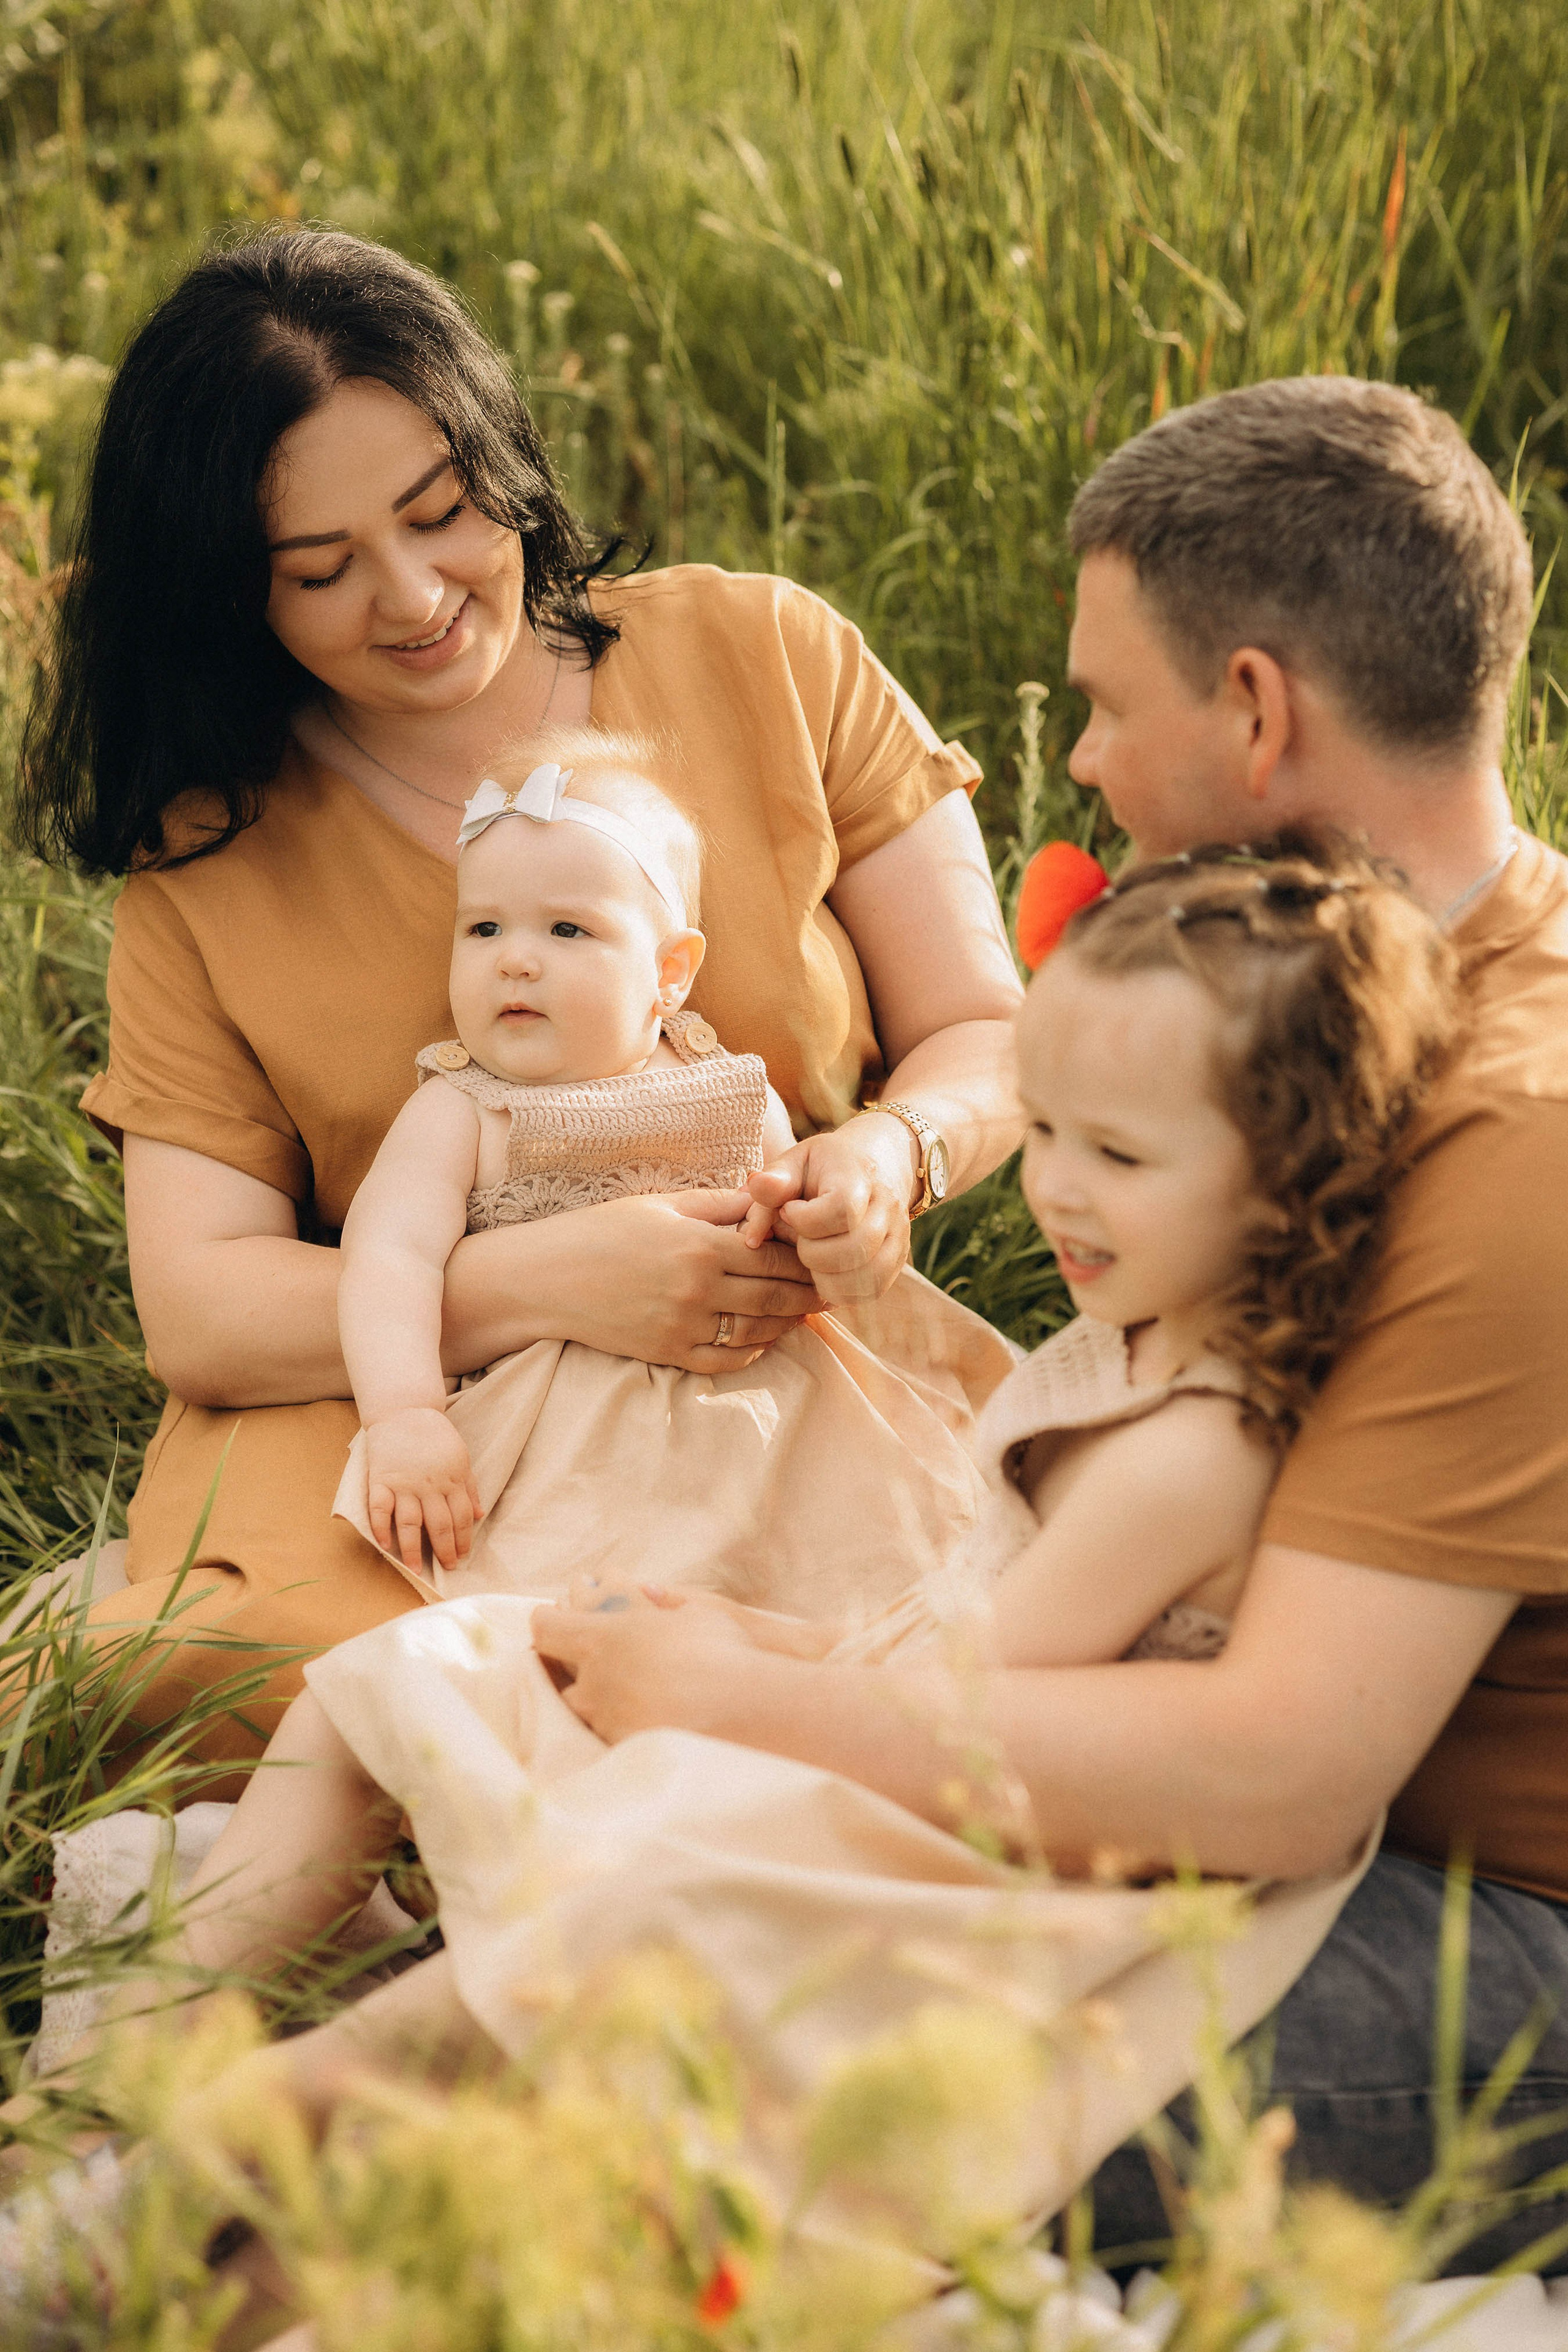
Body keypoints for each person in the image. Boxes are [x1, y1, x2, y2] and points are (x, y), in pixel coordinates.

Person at [11, 834, 1456, 2301]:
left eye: (1122, 1156)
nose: (1059, 1195)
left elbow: (966, 1725)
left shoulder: (1185, 1454)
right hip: (894, 1734)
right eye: (1059, 1138)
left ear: (1287, 1185)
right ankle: (157, 2043)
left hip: (956, 1852)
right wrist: (737, 1643)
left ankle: (123, 2255)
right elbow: (944, 1645)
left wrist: (721, 1686)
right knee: (415, 1666)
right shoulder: (1133, 1334)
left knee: (550, 1980)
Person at [541, 377, 1568, 2269]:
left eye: (1105, 704)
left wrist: (763, 1705)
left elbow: (1276, 1770)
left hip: (1497, 1930)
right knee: (603, 1912)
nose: (1082, 761)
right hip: (1268, 1831)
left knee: (670, 2081)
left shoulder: (1522, 1123)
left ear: (1256, 710)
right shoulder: (1339, 1007)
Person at [12, 227, 1024, 1785]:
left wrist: (900, 1154)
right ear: (228, 591)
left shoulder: (764, 651)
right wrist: (550, 1283)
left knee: (975, 1651)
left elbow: (985, 1030)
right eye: (319, 570)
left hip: (772, 1392)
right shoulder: (213, 850)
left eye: (438, 513)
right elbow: (205, 1311)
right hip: (391, 1412)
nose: (414, 596)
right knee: (355, 1691)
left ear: (497, 450)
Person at [334, 725, 998, 1607]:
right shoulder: (461, 1109)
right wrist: (405, 1414)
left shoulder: (729, 1089)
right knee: (592, 1590)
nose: (515, 957)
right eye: (484, 926)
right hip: (571, 1427)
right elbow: (388, 1258)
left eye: (568, 928)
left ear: (671, 973)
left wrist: (829, 1214)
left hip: (766, 1393)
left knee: (872, 1550)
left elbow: (791, 1206)